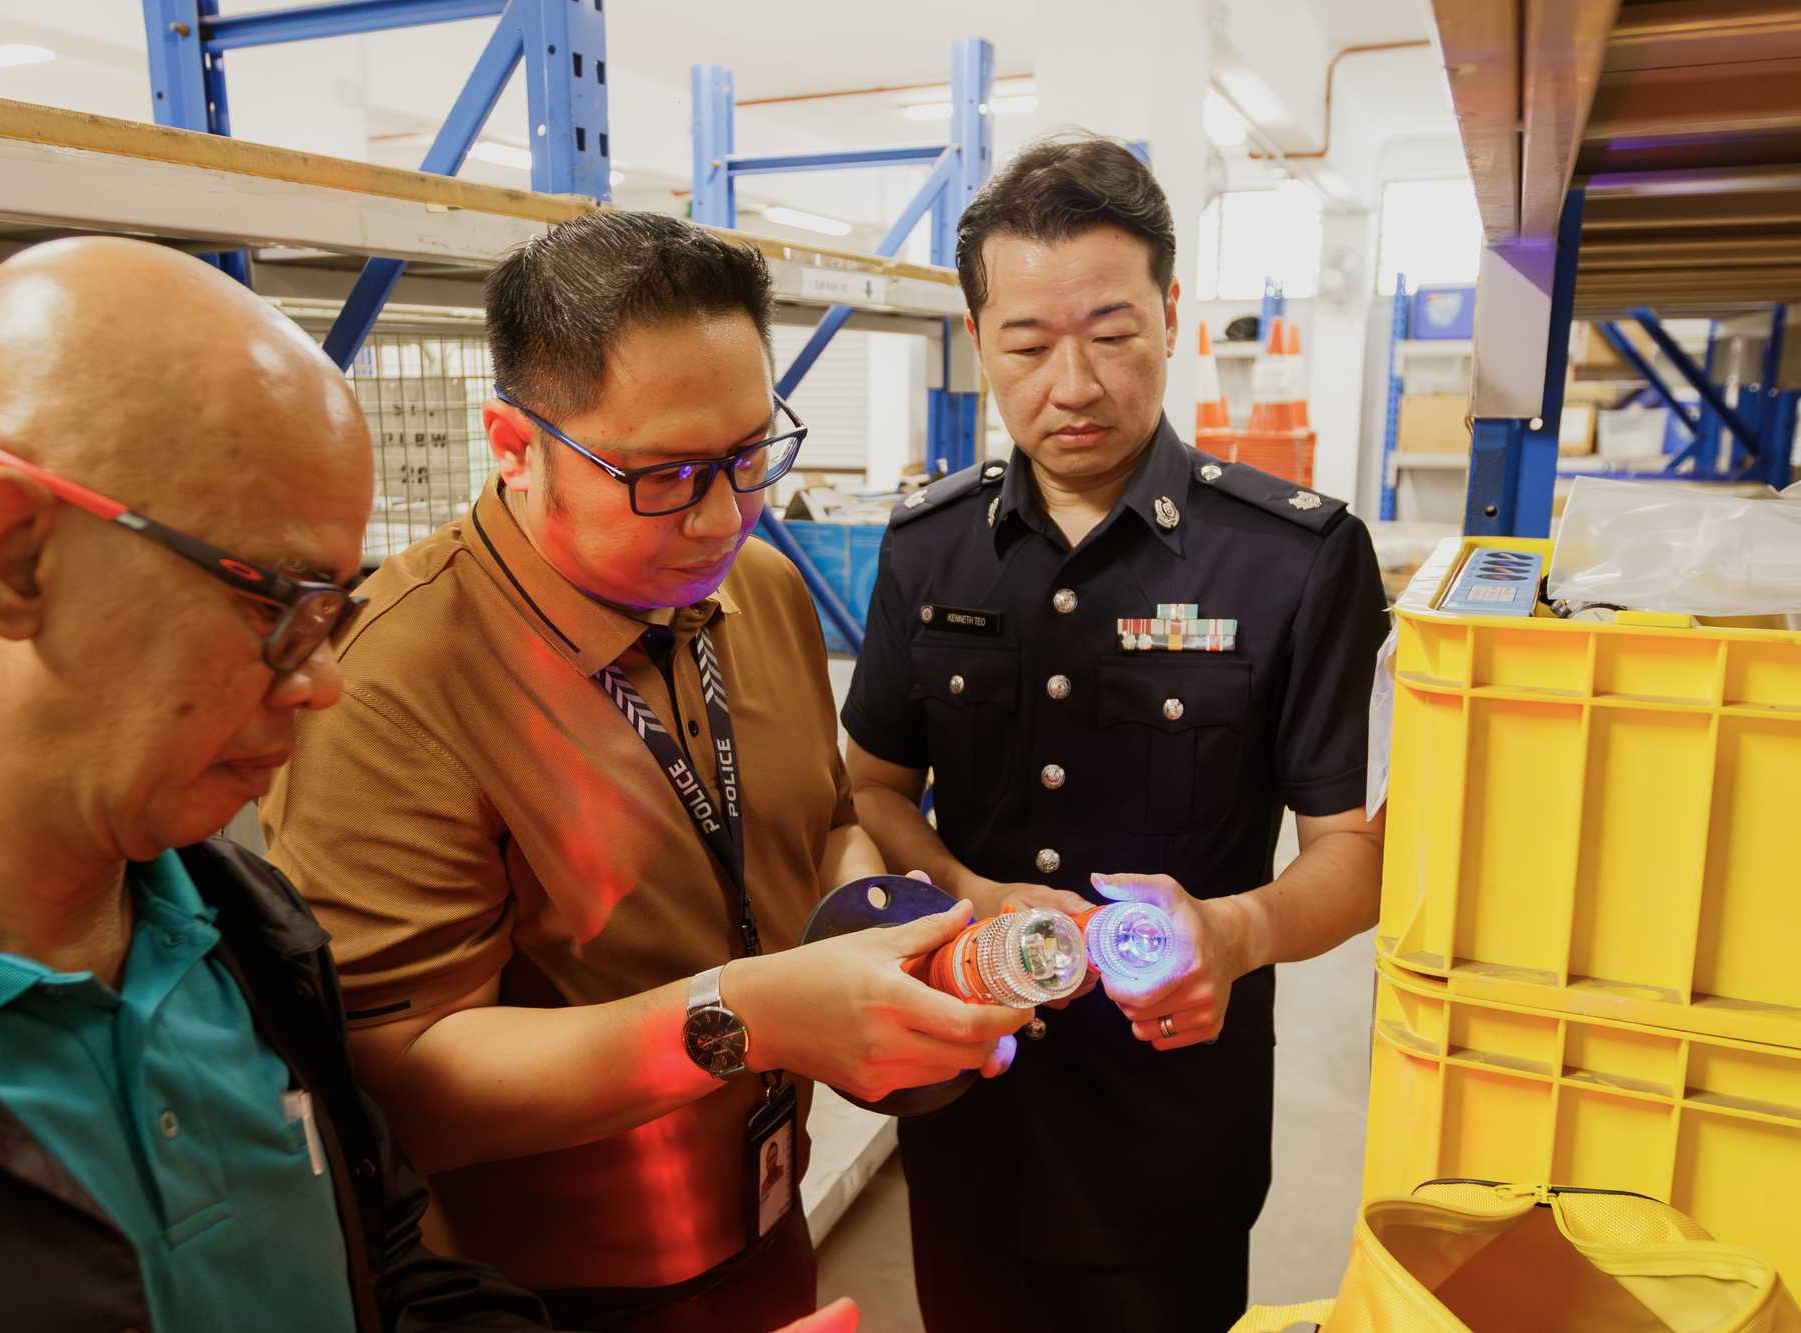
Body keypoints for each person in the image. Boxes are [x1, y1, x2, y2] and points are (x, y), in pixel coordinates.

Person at [262, 210, 1026, 1333]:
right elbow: (405, 1084)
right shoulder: (392, 682)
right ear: (515, 446)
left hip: (763, 1224)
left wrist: (871, 932)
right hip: (543, 1295)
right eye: (664, 474)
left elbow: (814, 821)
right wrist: (750, 1018)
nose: (722, 515)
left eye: (749, 454)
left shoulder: (755, 593)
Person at [0, 237, 567, 1331]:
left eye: (334, 613)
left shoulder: (242, 934)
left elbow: (390, 1277)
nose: (323, 683)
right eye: (281, 605)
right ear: (18, 556)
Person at [840, 135, 1390, 1332]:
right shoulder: (926, 547)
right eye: (1028, 346)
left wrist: (1233, 934)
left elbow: (1352, 854)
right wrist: (966, 892)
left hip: (1170, 1114)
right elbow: (872, 786)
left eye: (1111, 332)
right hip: (968, 1080)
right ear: (977, 335)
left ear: (1171, 315)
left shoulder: (1294, 557)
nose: (1072, 385)